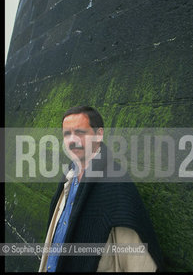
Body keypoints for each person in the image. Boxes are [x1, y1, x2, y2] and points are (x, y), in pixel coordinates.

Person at [39, 106, 163, 272]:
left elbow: (139, 261)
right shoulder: (69, 175)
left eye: (80, 132)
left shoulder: (115, 182)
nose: (72, 140)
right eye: (67, 134)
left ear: (99, 134)